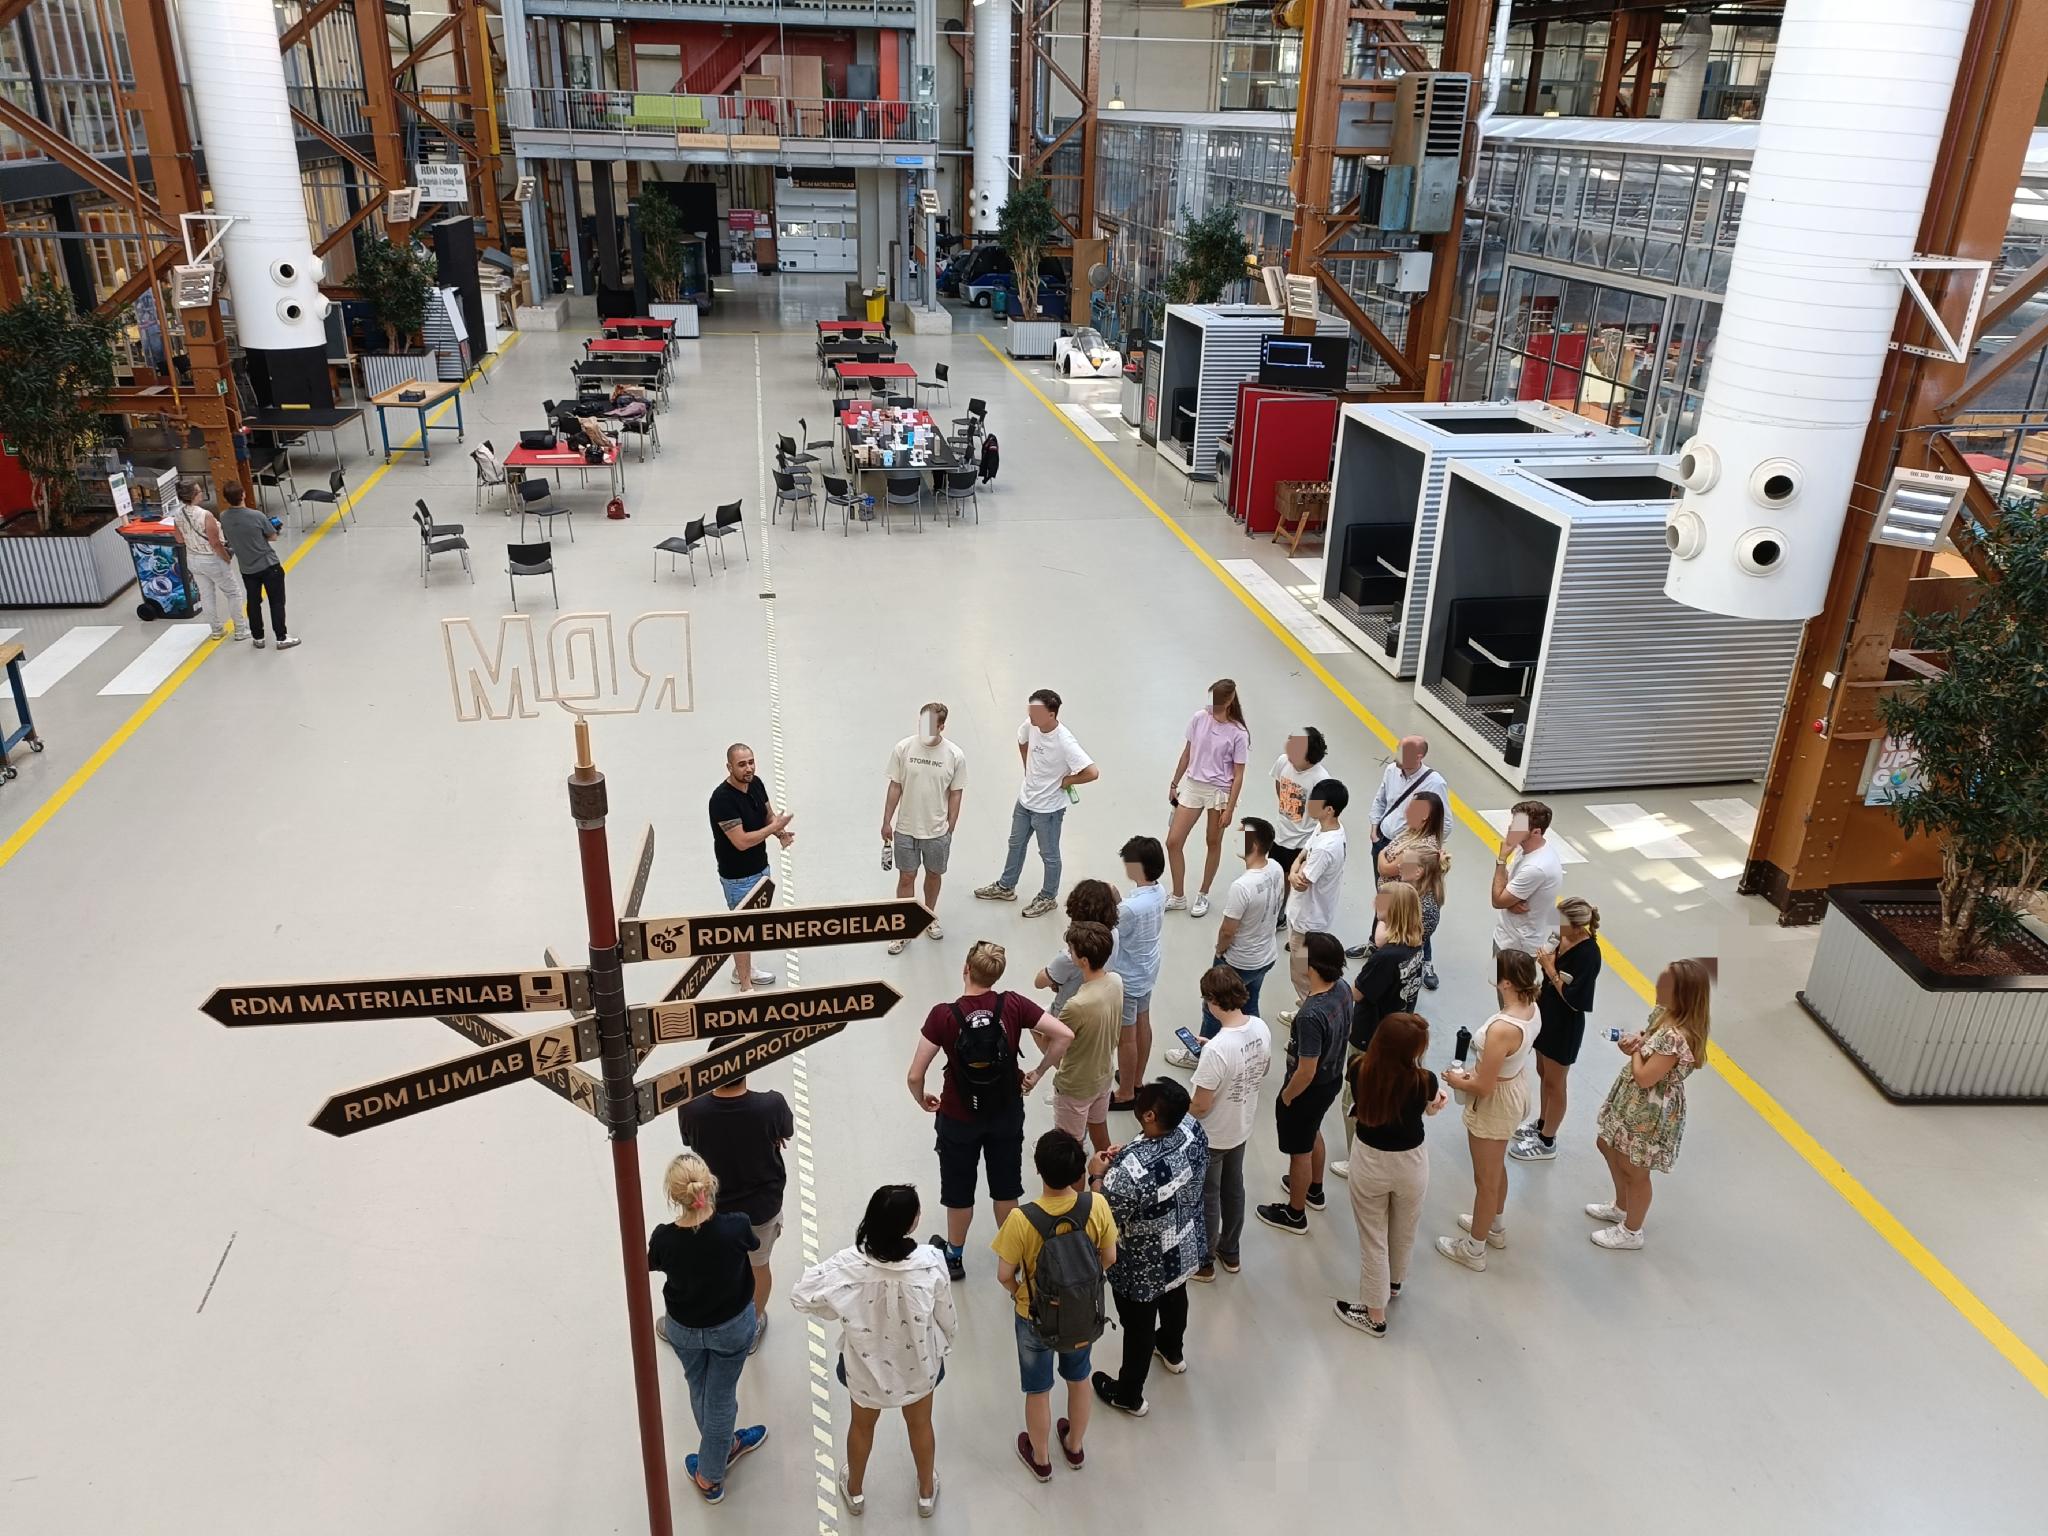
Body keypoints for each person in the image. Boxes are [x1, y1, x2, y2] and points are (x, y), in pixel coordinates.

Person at [905, 941, 1075, 1281]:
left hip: (958, 1115)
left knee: (959, 1190)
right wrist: (1037, 1074)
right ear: (997, 975)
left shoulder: (943, 1015)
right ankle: (1013, 1256)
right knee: (1005, 1187)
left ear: (966, 969)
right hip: (1006, 1110)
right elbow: (1064, 1034)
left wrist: (921, 1097)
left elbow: (914, 1074)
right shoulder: (1012, 1004)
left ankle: (954, 1255)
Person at [791, 1184, 955, 1519]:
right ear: (910, 1224)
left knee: (862, 1427)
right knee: (920, 1425)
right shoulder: (930, 1262)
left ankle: (854, 1491)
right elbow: (946, 1317)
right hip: (918, 1366)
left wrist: (836, 1309)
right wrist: (944, 1343)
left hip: (865, 1370)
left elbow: (802, 1294)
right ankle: (925, 1493)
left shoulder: (848, 1264)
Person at [994, 1130, 1118, 1482]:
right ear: (1080, 1171)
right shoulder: (1096, 1204)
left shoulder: (1021, 1219)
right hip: (1081, 1315)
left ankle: (1041, 1457)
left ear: (1038, 1170)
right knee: (1079, 1378)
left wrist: (1020, 1293)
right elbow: (1109, 1257)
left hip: (1035, 1318)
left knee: (1038, 1388)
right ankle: (1075, 1446)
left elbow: (1004, 1274)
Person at [648, 1153, 769, 1504]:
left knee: (699, 1386)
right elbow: (753, 1246)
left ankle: (721, 1444)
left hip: (684, 1329)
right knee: (720, 1399)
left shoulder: (664, 1239)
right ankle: (710, 1475)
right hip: (731, 1327)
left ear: (674, 1196)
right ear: (710, 1185)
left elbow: (652, 1262)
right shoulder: (736, 1226)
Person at [1089, 1078, 1208, 1414]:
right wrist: (1131, 1150)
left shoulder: (1126, 1174)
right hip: (1183, 1243)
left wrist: (1097, 1175)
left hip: (1140, 1265)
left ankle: (1129, 1393)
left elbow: (1104, 1219)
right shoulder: (1191, 1129)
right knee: (1175, 1297)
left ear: (1151, 1115)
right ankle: (1172, 1350)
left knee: (1138, 1328)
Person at [1335, 1012, 1446, 1337]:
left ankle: (1374, 1313)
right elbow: (1430, 1106)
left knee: (1373, 1237)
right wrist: (1436, 1103)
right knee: (1404, 1227)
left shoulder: (1359, 1069)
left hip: (1369, 1159)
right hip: (1411, 1162)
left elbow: (1364, 1097)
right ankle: (1394, 1282)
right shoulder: (1425, 1080)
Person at [1589, 958, 1710, 1250]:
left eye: (1666, 983)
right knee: (1607, 1145)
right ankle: (1622, 1205)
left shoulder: (1677, 1037)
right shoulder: (1663, 1015)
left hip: (1649, 1108)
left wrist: (1634, 1051)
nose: (1658, 985)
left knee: (1635, 1167)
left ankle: (1632, 1231)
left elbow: (1645, 1077)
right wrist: (1637, 1043)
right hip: (1633, 1100)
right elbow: (1646, 1042)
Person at [1437, 951, 1543, 1272]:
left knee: (1485, 1178)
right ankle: (1493, 1224)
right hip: (1513, 1085)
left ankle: (1474, 1248)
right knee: (1496, 1167)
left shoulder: (1502, 1028)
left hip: (1495, 1099)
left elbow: (1484, 1086)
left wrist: (1457, 1079)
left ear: (1507, 983)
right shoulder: (1531, 1008)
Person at [675, 1073, 793, 1353]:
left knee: (713, 1265)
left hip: (712, 1209)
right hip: (762, 1208)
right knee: (759, 1265)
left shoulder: (691, 1108)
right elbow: (784, 1132)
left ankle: (704, 1324)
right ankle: (750, 1328)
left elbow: (691, 1143)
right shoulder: (771, 1105)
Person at [1168, 817, 1285, 1067]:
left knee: (1214, 1005)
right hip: (1265, 955)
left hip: (1238, 960)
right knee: (1250, 1002)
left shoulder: (1242, 887)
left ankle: (1201, 1055)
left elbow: (1228, 931)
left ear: (1253, 845)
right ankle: (1255, 1052)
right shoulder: (1275, 868)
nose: (1236, 839)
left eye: (1242, 835)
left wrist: (1220, 952)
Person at [1254, 932, 1348, 1235]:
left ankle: (1295, 1214)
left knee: (1299, 1151)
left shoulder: (1310, 1015)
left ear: (1313, 966)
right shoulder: (1343, 989)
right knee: (1312, 1132)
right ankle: (1314, 1190)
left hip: (1308, 1088)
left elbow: (1306, 1070)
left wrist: (1287, 1096)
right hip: (1332, 1079)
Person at [977, 688, 1099, 919]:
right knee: (1016, 843)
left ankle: (1048, 897)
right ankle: (1006, 886)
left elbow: (1092, 772)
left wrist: (1067, 780)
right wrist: (1028, 768)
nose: (1030, 714)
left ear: (1051, 715)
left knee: (1049, 854)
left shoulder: (1065, 741)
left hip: (1049, 810)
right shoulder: (1031, 724)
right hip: (1025, 801)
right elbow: (1022, 741)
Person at [1188, 965, 1271, 1278]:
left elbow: (1201, 1105)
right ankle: (1230, 1250)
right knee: (1234, 1189)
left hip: (1212, 1136)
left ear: (1211, 1002)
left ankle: (1205, 1261)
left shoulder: (1218, 1050)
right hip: (1241, 1126)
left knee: (1208, 1196)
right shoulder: (1260, 1028)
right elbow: (1260, 1069)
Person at [1512, 896, 1605, 1163]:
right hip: (1546, 1015)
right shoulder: (1562, 938)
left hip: (1565, 1024)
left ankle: (1548, 1141)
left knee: (1556, 1082)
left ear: (1576, 926)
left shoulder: (1588, 955)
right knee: (1543, 1073)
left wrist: (1550, 968)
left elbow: (1576, 1000)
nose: (1555, 924)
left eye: (1561, 921)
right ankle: (1542, 1123)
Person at [882, 703, 968, 954]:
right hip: (906, 828)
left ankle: (929, 915)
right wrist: (887, 820)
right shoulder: (903, 748)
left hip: (937, 831)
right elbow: (895, 786)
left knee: (933, 874)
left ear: (942, 726)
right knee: (906, 876)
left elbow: (956, 793)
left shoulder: (955, 755)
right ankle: (903, 927)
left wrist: (950, 825)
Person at [709, 744, 795, 991]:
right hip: (738, 878)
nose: (748, 768)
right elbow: (741, 841)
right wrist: (772, 828)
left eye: (751, 762)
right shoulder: (722, 800)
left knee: (752, 928)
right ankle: (746, 987)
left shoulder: (755, 783)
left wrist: (780, 832)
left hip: (760, 870)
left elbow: (767, 814)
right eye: (742, 764)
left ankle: (741, 970)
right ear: (729, 767)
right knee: (742, 932)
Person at [1164, 679, 1251, 915]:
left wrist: (1230, 808)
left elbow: (1239, 774)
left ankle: (1203, 893)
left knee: (1213, 841)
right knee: (1173, 841)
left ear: (1230, 700)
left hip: (1219, 791)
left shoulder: (1238, 733)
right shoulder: (1199, 718)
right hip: (1193, 785)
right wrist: (1174, 783)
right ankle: (1178, 894)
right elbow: (1187, 753)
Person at [1358, 790, 1449, 982]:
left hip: (1394, 907)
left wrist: (1383, 855)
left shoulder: (1421, 847)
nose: (1406, 811)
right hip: (1390, 901)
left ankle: (1425, 963)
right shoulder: (1410, 832)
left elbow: (1385, 867)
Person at [1049, 922, 1123, 1153]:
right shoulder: (1116, 981)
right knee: (1099, 1127)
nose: (1068, 953)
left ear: (1083, 961)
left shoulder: (1076, 1005)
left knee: (1071, 1149)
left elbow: (1056, 1042)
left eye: (1070, 950)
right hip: (1103, 1075)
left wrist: (1039, 1071)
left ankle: (1076, 1190)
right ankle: (1107, 1179)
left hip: (1076, 1085)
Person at [1108, 836, 1167, 1112]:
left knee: (1126, 1036)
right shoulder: (1159, 892)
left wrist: (1112, 901)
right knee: (1144, 1021)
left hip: (1128, 976)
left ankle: (1125, 1092)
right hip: (1148, 968)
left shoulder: (1129, 908)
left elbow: (1112, 927)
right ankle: (1138, 1079)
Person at [1283, 780, 1349, 1009]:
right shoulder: (1327, 828)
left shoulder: (1325, 848)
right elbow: (1302, 854)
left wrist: (1293, 872)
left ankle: (1307, 1007)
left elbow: (1302, 882)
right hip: (1308, 914)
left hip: (1306, 921)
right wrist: (1296, 868)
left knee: (1301, 972)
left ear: (1329, 809)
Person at [218, 482, 298, 650]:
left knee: (253, 602)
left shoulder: (224, 517)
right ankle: (281, 637)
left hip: (247, 568)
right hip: (269, 565)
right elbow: (272, 536)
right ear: (244, 495)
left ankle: (258, 637)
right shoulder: (257, 516)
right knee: (276, 602)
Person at [168, 480, 245, 642]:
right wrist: (226, 558)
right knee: (233, 593)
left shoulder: (177, 515)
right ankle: (240, 629)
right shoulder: (205, 515)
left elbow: (179, 539)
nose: (202, 492)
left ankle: (216, 630)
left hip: (193, 560)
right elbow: (215, 543)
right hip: (211, 559)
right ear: (193, 496)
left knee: (206, 596)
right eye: (199, 491)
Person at [1491, 799, 1565, 958]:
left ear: (1536, 832)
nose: (1511, 828)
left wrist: (1502, 859)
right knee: (1497, 981)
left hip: (1516, 946)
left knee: (1504, 983)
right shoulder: (1525, 848)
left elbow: (1497, 900)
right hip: (1507, 934)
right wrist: (1511, 903)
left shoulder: (1535, 867)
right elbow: (1506, 888)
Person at [1033, 880, 1120, 1012]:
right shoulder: (1114, 934)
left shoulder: (1070, 956)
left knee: (1033, 1019)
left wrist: (1056, 979)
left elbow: (1039, 982)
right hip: (1099, 1004)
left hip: (1067, 1011)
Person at [1367, 736, 1447, 868]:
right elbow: (1380, 800)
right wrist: (1374, 830)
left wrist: (1420, 851)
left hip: (1407, 849)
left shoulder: (1435, 783)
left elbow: (1445, 823)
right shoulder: (1391, 770)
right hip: (1381, 841)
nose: (1396, 756)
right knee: (1382, 886)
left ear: (1418, 757)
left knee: (1404, 888)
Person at [1268, 727, 1331, 891]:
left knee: (1294, 880)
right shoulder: (1283, 761)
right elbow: (1278, 783)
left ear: (1309, 757)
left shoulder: (1321, 780)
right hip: (1281, 834)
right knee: (1275, 876)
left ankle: (1284, 912)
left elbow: (1323, 816)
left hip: (1302, 841)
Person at [1398, 844, 1446, 993]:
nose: (1399, 865)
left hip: (1402, 967)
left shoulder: (1425, 908)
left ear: (1418, 872)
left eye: (1405, 863)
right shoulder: (1410, 889)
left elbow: (1397, 940)